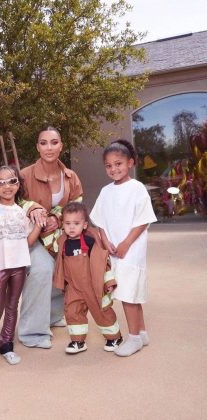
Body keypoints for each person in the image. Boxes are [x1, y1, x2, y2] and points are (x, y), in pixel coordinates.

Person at [90, 140, 157, 357]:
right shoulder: (105, 191)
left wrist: (126, 243)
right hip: (113, 250)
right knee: (129, 291)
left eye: (118, 164)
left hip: (131, 249)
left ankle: (134, 338)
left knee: (129, 294)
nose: (113, 169)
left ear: (130, 163)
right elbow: (99, 220)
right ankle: (143, 332)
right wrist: (105, 240)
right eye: (108, 166)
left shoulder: (137, 188)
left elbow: (143, 220)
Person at [18, 126, 83, 349]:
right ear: (37, 147)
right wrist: (31, 207)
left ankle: (53, 316)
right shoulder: (24, 175)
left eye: (54, 142)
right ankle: (31, 332)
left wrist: (58, 215)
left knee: (60, 269)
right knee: (43, 270)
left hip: (60, 235)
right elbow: (13, 201)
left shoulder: (70, 176)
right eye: (43, 142)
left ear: (61, 146)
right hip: (31, 237)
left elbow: (77, 204)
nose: (49, 147)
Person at [0, 166, 41, 370]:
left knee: (12, 307)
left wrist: (39, 225)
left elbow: (28, 242)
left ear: (18, 185)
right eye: (0, 183)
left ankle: (6, 345)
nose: (7, 186)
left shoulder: (21, 212)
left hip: (18, 268)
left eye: (11, 181)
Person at [53, 202, 122, 354]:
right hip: (74, 286)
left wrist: (108, 281)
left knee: (101, 311)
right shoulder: (62, 242)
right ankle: (78, 341)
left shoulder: (91, 242)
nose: (71, 227)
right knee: (72, 312)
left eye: (76, 223)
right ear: (62, 224)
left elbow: (102, 263)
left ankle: (114, 337)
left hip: (93, 286)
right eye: (68, 223)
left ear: (84, 225)